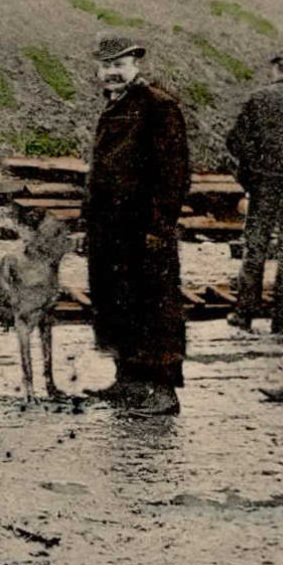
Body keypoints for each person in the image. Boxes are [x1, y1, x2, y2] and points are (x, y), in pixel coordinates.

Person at [83, 35, 191, 416]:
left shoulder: (158, 107)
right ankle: (128, 381)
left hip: (143, 231)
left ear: (136, 66)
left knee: (154, 309)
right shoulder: (114, 107)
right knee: (116, 304)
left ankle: (162, 392)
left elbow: (173, 175)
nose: (112, 72)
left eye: (121, 64)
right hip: (110, 231)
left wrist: (159, 228)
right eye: (106, 65)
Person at [225, 48, 283, 335]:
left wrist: (254, 170)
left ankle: (243, 313)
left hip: (263, 185)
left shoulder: (260, 98)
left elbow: (235, 142)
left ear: (277, 69)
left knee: (255, 247)